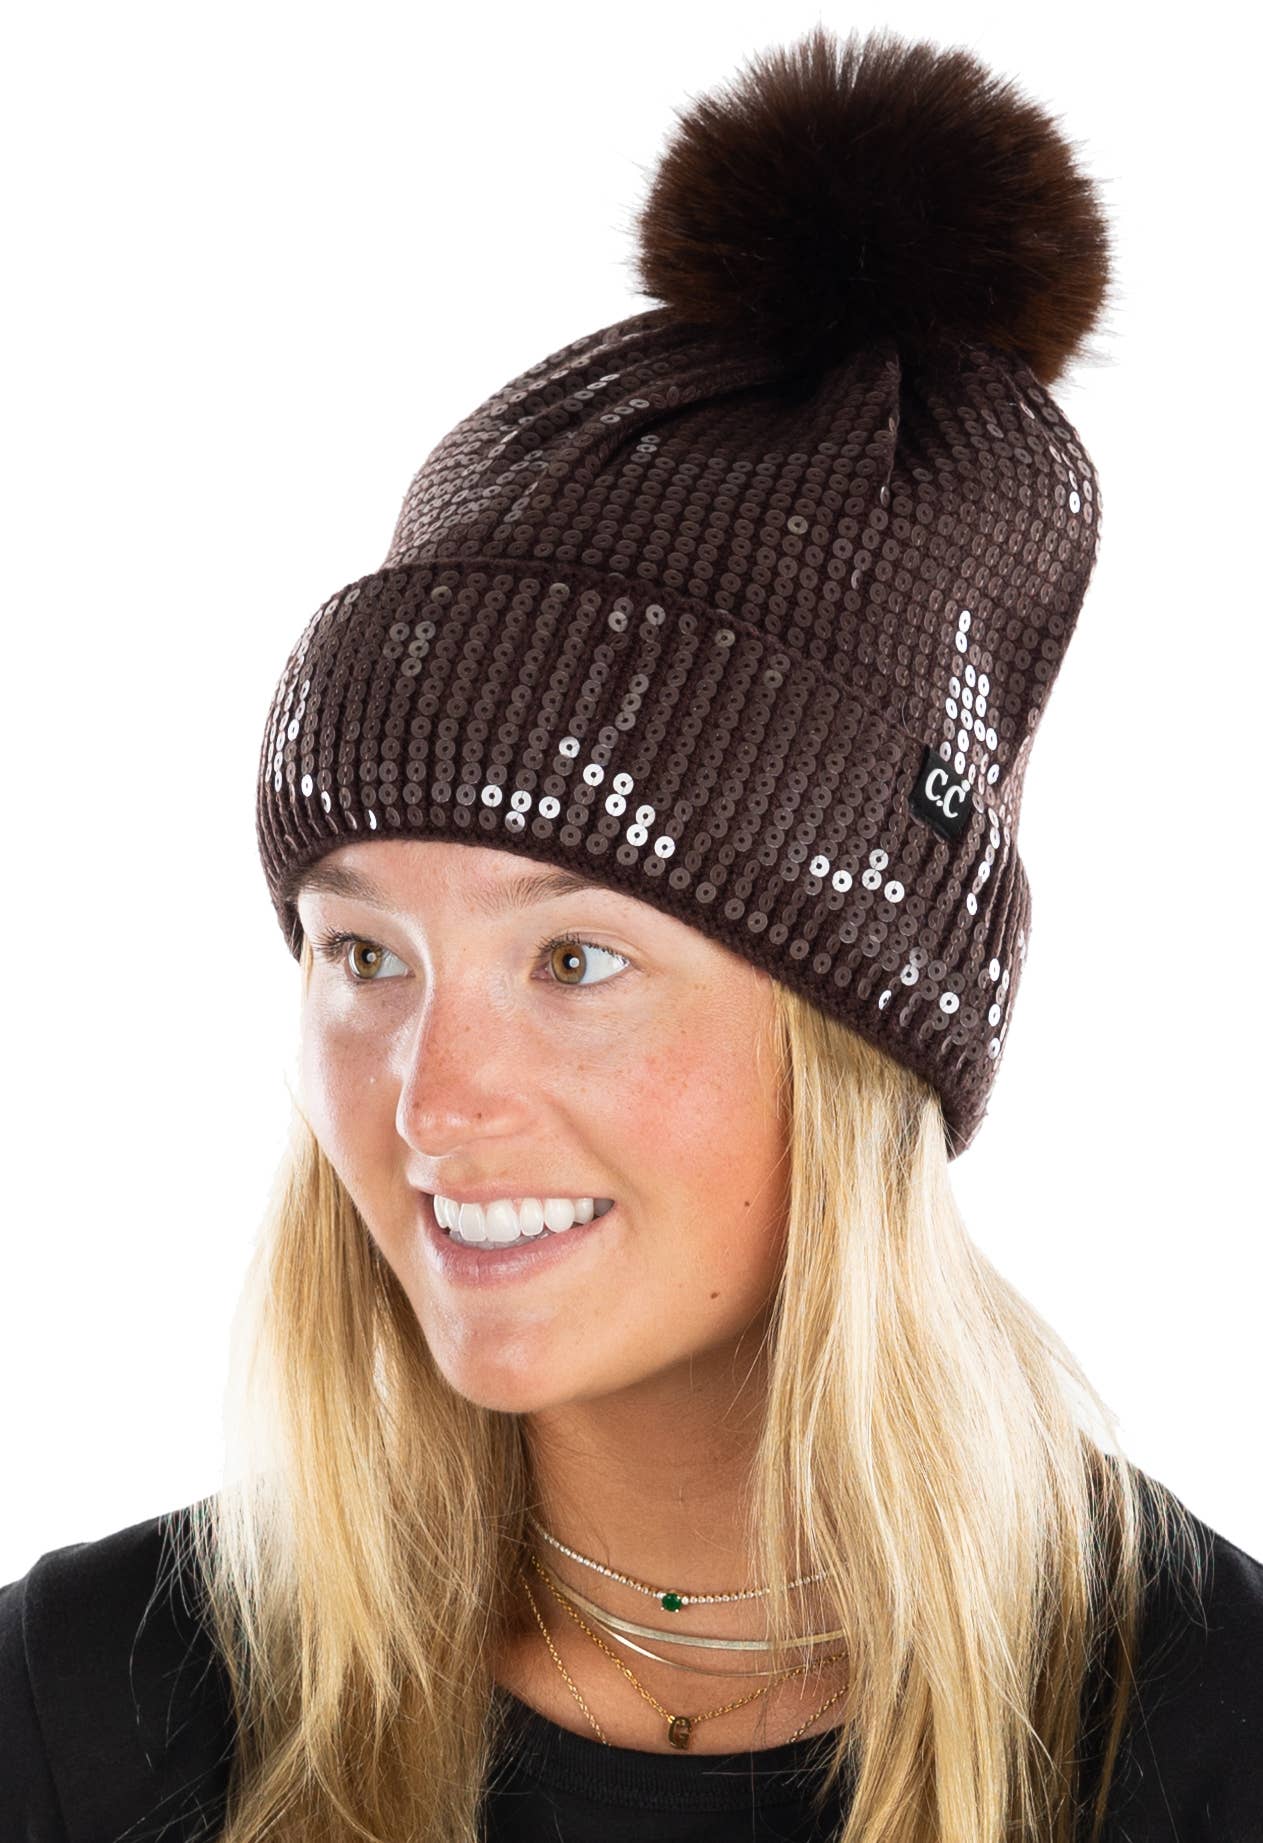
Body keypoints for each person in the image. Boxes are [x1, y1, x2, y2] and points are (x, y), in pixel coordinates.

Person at [3, 22, 1261, 1843]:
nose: (433, 1101)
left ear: (863, 1031)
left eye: (575, 960)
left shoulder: (1207, 1737)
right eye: (365, 956)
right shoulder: (93, 1708)